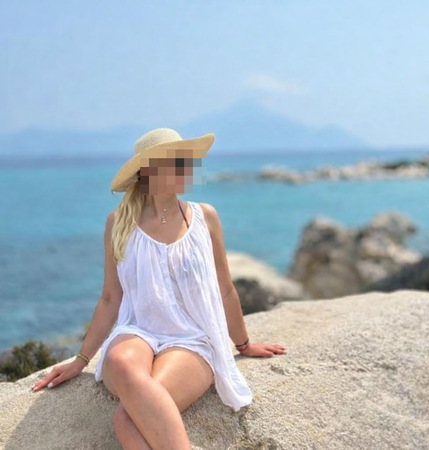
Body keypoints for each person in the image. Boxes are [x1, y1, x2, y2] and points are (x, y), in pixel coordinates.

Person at [33, 128, 286, 449]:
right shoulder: (118, 223)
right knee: (122, 362)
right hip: (136, 332)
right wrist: (80, 360)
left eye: (187, 161)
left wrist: (244, 344)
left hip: (191, 340)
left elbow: (225, 289)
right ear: (149, 170)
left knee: (127, 419)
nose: (187, 169)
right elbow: (110, 298)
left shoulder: (204, 217)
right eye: (177, 162)